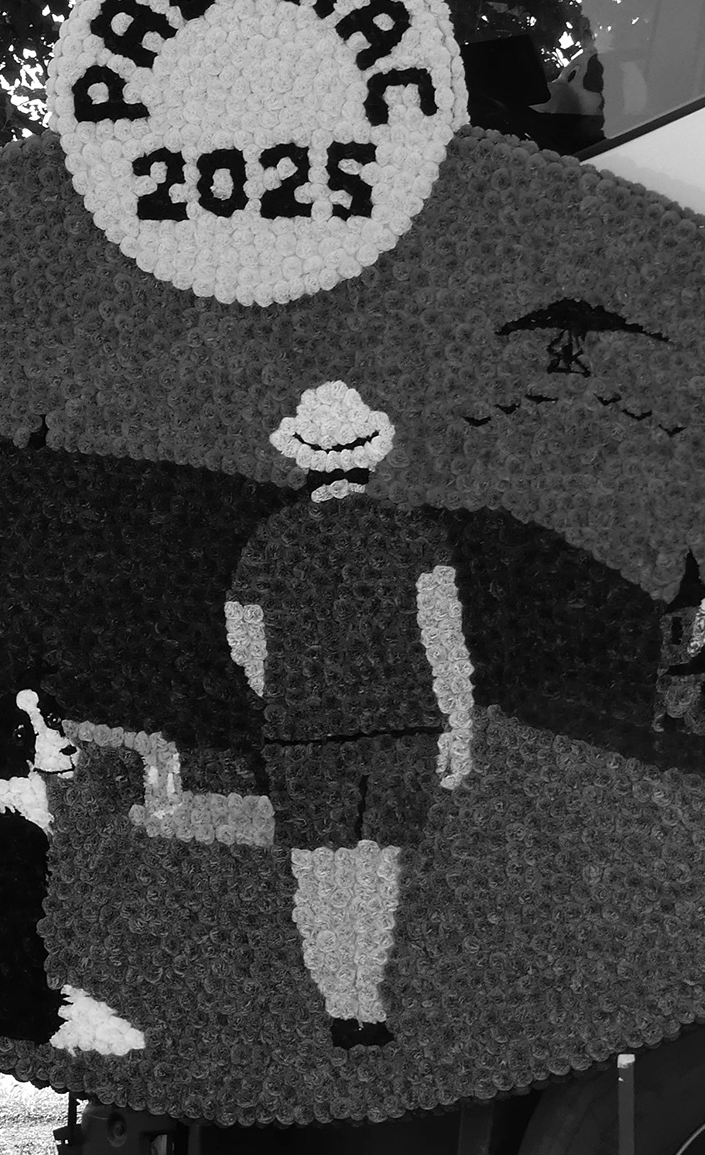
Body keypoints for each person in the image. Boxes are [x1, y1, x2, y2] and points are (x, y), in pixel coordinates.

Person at [223, 383, 477, 1049]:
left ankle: (341, 1003)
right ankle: (367, 999)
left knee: (318, 871)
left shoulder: (272, 539)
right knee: (376, 869)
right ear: (370, 456)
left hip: (303, 731)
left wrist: (279, 687)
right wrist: (457, 726)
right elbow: (443, 639)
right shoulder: (414, 534)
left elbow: (244, 633)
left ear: (304, 458)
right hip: (402, 727)